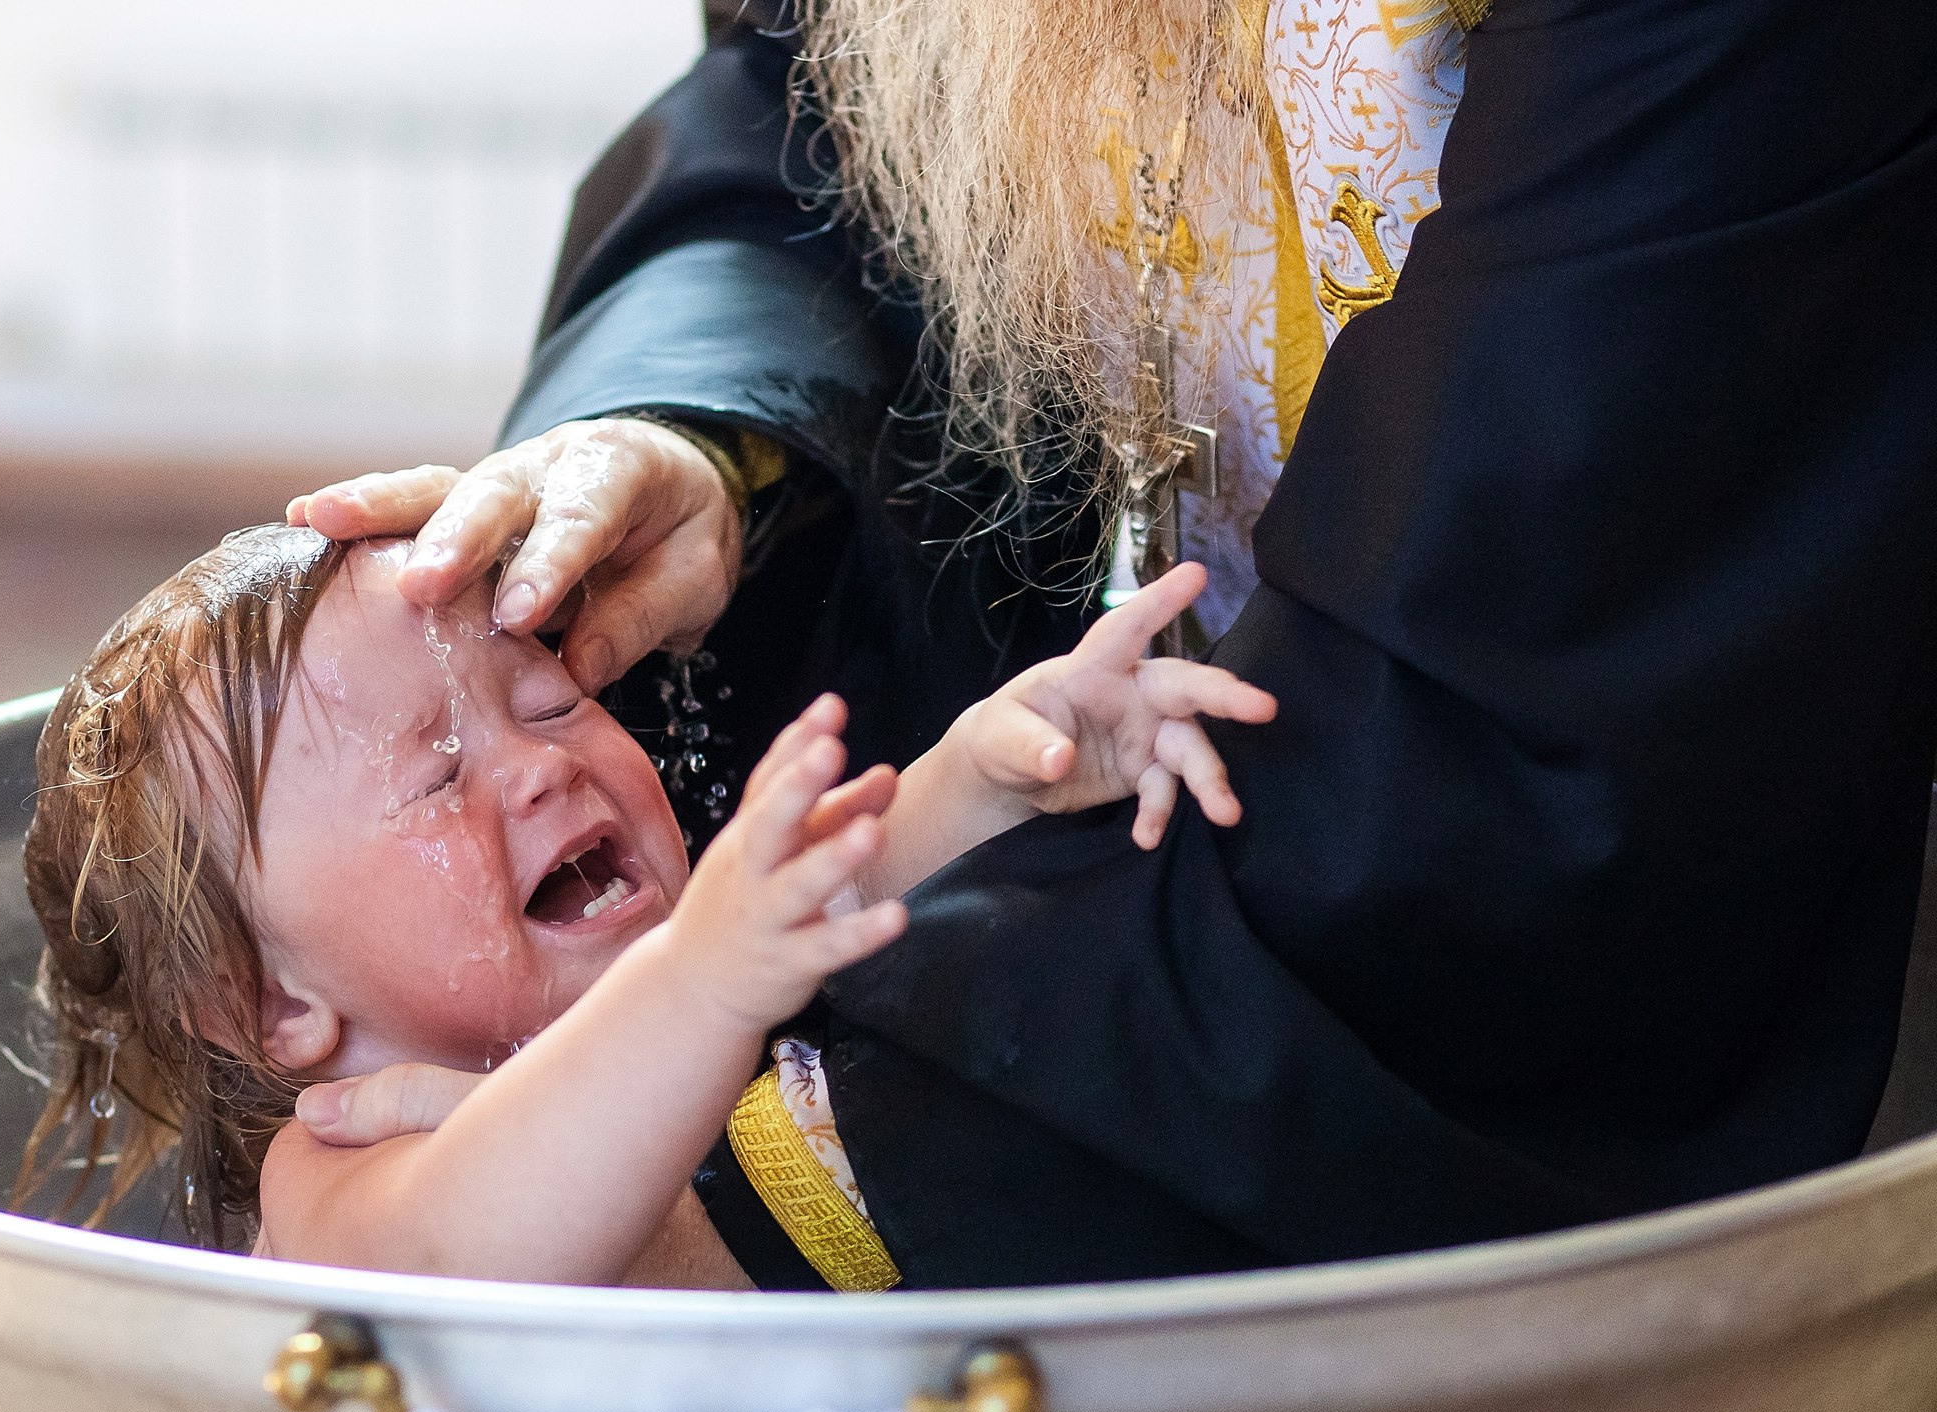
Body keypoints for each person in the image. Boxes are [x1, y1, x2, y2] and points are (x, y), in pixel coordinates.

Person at [283, 0, 1937, 1288]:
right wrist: (705, 440)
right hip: (1114, 832)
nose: (530, 762)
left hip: (1509, 904)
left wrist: (737, 1177)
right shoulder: (331, 1138)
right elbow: (809, 100)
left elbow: (1549, 639)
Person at [17, 526, 1271, 1286]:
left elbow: (848, 887)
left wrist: (998, 769)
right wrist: (705, 984)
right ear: (268, 1002)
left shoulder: (682, 971)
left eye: (552, 700)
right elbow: (476, 1257)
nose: (536, 763)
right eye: (436, 777)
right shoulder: (339, 1171)